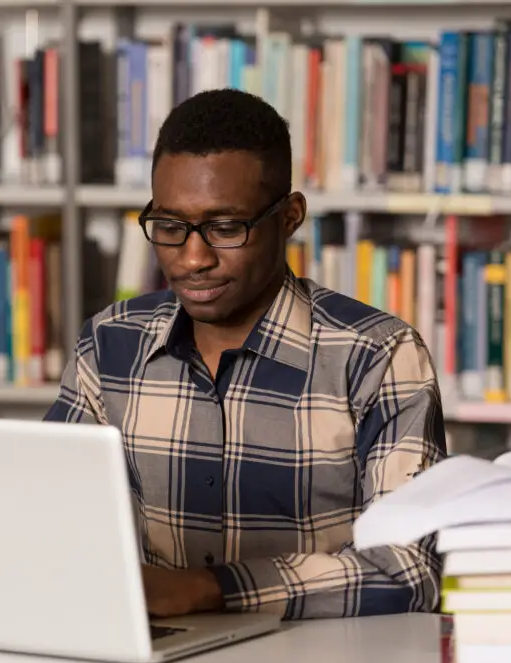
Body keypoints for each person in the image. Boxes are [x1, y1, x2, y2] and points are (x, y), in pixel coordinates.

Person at [44, 89, 447, 620]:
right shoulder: (109, 343)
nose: (193, 259)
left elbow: (409, 569)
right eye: (169, 227)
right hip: (158, 660)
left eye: (225, 228)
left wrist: (207, 588)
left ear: (289, 217)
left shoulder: (378, 356)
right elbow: (47, 517)